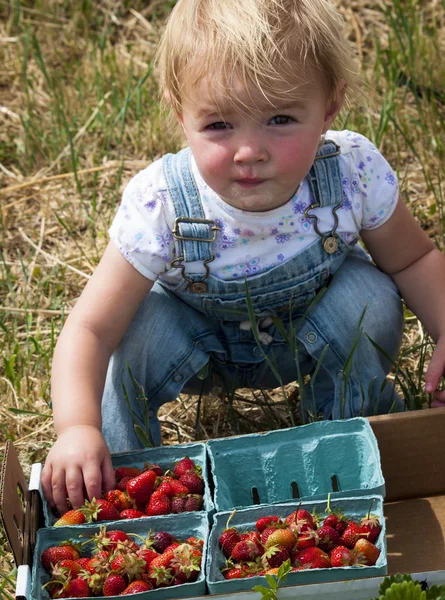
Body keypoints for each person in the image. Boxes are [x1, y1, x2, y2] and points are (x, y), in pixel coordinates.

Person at [41, 0, 445, 515]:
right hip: (199, 344)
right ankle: (125, 480)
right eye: (218, 125)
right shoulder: (162, 203)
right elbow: (89, 330)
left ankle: (350, 442)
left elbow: (414, 261)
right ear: (178, 109)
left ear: (330, 106)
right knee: (132, 332)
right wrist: (77, 427)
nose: (249, 150)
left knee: (369, 295)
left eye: (280, 119)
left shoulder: (349, 174)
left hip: (311, 332)